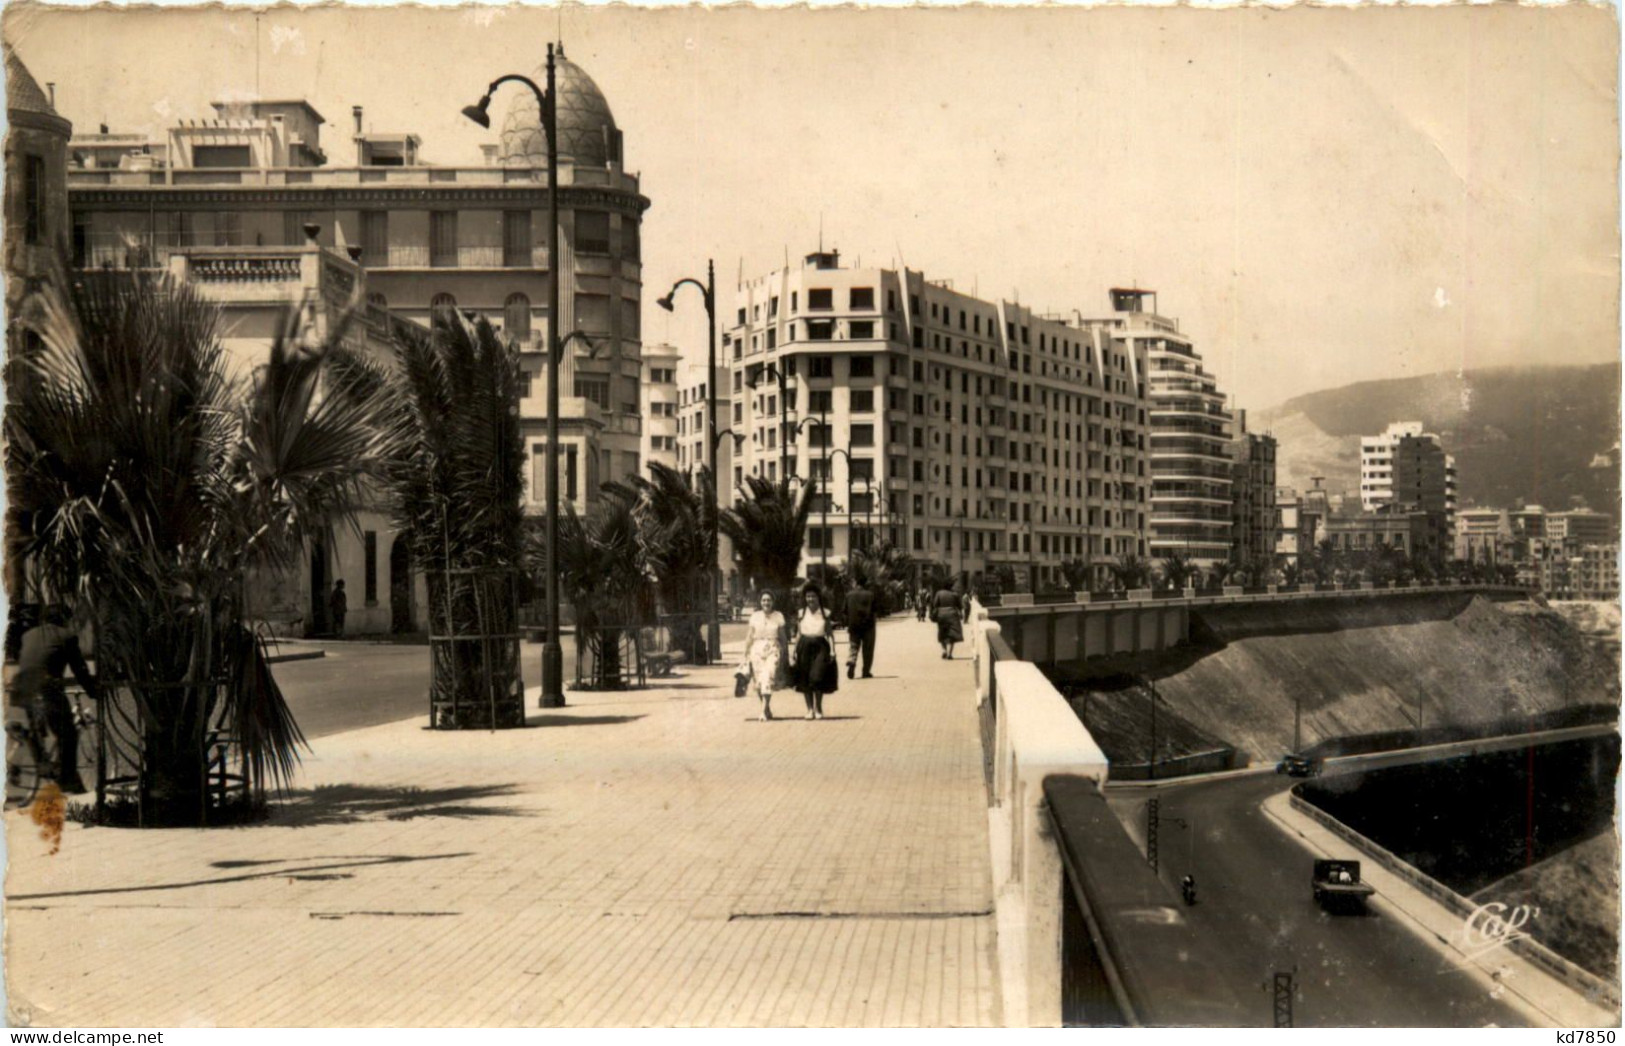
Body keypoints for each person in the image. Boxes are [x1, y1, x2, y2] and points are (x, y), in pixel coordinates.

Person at [12, 604, 96, 794]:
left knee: (38, 729)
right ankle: (67, 781)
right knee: (68, 734)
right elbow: (80, 670)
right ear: (65, 619)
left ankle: (42, 761)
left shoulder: (28, 635)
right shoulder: (66, 636)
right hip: (47, 689)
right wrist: (92, 691)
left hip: (23, 688)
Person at [791, 584, 838, 720]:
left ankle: (818, 707)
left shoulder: (825, 613)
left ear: (818, 598)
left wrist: (833, 650)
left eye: (813, 596)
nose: (810, 599)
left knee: (817, 677)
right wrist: (794, 650)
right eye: (808, 596)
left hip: (820, 647)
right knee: (805, 679)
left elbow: (829, 633)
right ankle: (809, 709)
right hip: (804, 646)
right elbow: (798, 634)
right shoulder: (801, 613)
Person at [743, 590, 787, 721]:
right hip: (756, 650)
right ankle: (766, 708)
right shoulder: (755, 616)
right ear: (760, 602)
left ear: (773, 602)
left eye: (768, 600)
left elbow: (783, 637)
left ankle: (762, 711)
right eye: (764, 600)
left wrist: (786, 653)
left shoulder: (778, 616)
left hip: (773, 649)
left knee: (768, 676)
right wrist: (745, 653)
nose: (766, 603)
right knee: (759, 681)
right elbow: (749, 636)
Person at [844, 585, 877, 679]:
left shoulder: (849, 595)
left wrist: (848, 622)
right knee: (868, 649)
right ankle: (865, 671)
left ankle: (852, 660)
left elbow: (845, 611)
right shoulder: (871, 595)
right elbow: (875, 611)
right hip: (868, 626)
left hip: (853, 625)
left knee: (853, 646)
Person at [933, 583, 964, 659]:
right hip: (952, 614)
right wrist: (961, 614)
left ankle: (944, 650)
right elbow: (960, 606)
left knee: (942, 633)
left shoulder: (939, 593)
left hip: (941, 615)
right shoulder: (955, 594)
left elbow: (935, 604)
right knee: (951, 635)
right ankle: (949, 654)